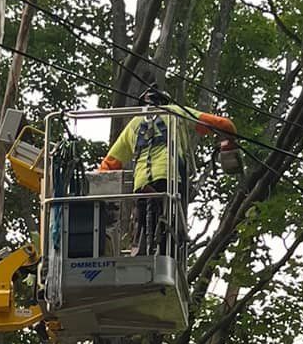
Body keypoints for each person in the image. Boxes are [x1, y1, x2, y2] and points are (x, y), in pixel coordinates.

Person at [96, 92, 238, 253]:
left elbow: (109, 164)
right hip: (169, 178)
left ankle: (142, 248)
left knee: (143, 224)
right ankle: (167, 252)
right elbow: (223, 124)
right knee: (171, 229)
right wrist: (229, 141)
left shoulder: (133, 124)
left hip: (142, 184)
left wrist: (94, 191)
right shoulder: (175, 112)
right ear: (165, 102)